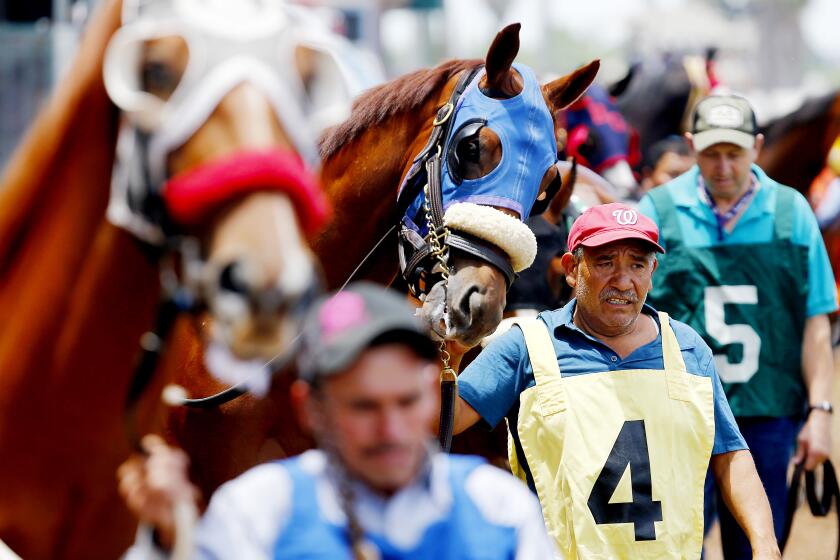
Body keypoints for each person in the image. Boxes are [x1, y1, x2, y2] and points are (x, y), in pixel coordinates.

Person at [119, 282, 556, 559]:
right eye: (363, 406)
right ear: (309, 408)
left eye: (406, 401)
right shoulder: (258, 511)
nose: (391, 429)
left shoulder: (498, 508)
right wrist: (166, 540)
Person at [451, 203, 781, 559]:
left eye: (637, 264)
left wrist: (764, 543)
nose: (623, 281)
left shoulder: (688, 348)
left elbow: (730, 453)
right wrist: (451, 351)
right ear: (572, 269)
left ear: (652, 272)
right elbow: (445, 421)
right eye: (605, 262)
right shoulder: (525, 346)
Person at [638, 93, 837, 559]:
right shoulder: (658, 210)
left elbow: (816, 323)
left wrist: (821, 413)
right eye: (710, 153)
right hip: (679, 415)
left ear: (758, 147)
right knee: (675, 548)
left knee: (760, 547)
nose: (723, 165)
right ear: (691, 146)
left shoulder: (792, 212)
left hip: (768, 415)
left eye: (734, 153)